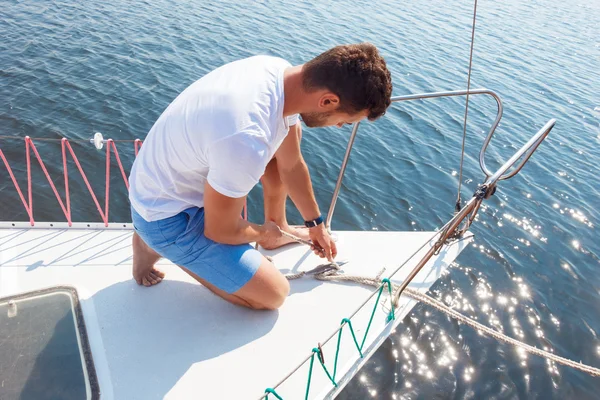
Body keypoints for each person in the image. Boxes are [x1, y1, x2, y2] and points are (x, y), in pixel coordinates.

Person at [128, 43, 392, 310]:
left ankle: (279, 231)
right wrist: (264, 232)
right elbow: (219, 230)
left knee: (289, 135)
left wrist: (316, 225)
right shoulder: (246, 137)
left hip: (161, 183)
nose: (338, 127)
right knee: (272, 294)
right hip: (165, 217)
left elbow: (291, 165)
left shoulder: (277, 72)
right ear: (328, 101)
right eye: (344, 121)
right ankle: (153, 246)